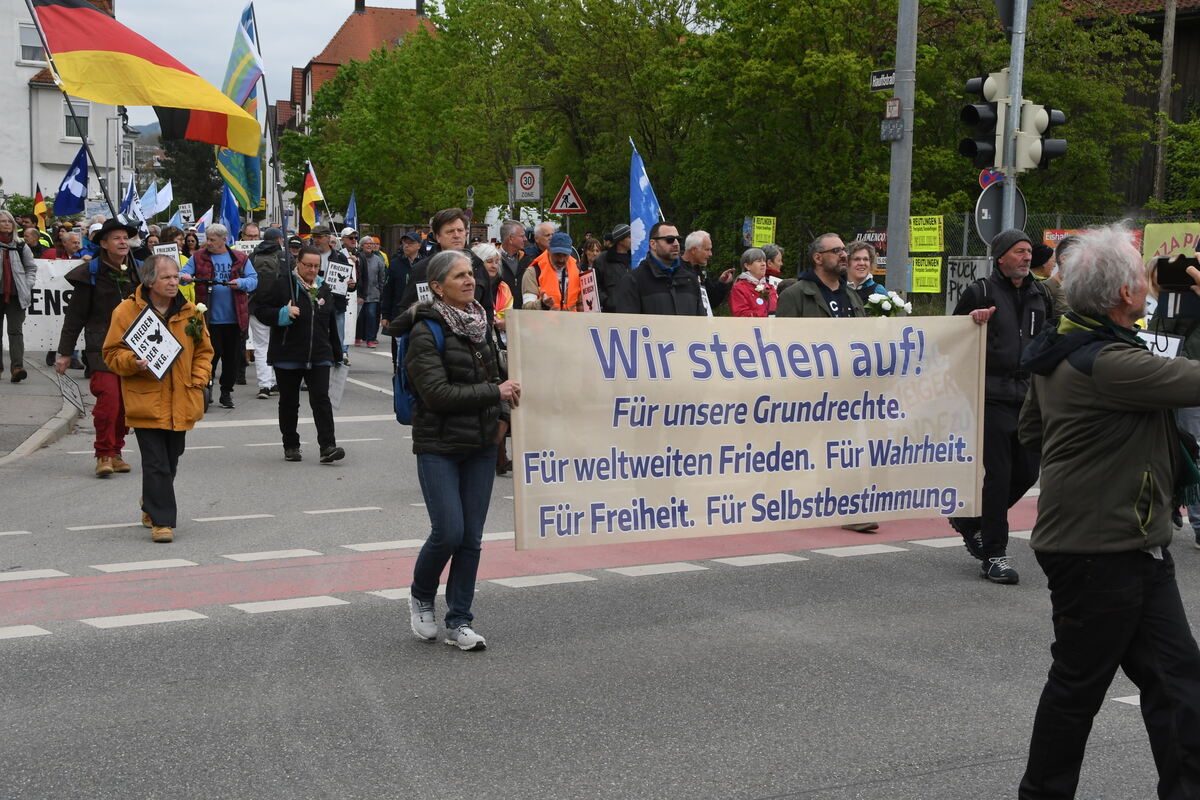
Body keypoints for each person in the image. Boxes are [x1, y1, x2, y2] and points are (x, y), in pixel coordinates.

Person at [1016, 224, 1200, 799]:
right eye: (1143, 276)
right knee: (1077, 689)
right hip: (1098, 550)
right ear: (1124, 295)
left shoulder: (1063, 348)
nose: (1150, 283)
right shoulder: (1109, 364)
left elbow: (1030, 432)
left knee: (1179, 686)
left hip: (1131, 543)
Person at [396, 250, 520, 651]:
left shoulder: (481, 323)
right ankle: (420, 595)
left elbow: (502, 375)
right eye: (459, 276)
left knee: (472, 538)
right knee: (449, 531)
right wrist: (493, 393)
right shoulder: (424, 330)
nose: (470, 280)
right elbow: (435, 393)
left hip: (481, 444)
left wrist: (501, 417)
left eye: (471, 273)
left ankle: (460, 620)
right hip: (439, 444)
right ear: (437, 287)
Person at [949, 228, 1050, 584]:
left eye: (1029, 253)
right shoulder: (981, 291)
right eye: (1020, 251)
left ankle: (971, 521)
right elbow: (953, 337)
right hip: (990, 396)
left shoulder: (1041, 293)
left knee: (1027, 472)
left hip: (1029, 398)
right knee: (999, 475)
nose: (1026, 257)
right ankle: (994, 555)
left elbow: (1049, 336)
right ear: (1001, 256)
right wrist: (972, 322)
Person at [101, 255, 212, 544]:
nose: (174, 282)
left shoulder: (191, 312)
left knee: (172, 458)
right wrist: (132, 362)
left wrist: (199, 379)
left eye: (176, 276)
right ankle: (162, 522)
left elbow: (204, 351)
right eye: (167, 277)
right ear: (150, 281)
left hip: (183, 399)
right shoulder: (126, 311)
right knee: (156, 463)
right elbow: (111, 353)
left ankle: (151, 501)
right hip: (145, 401)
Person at [56, 217, 141, 476]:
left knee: (126, 405)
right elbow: (75, 317)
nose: (123, 241)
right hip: (100, 347)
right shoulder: (90, 273)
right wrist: (65, 353)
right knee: (109, 402)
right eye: (116, 238)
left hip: (134, 348)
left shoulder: (140, 271)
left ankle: (116, 451)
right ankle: (103, 454)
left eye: (125, 238)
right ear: (103, 243)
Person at [253, 245, 345, 464]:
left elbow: (330, 322)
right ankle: (291, 444)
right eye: (308, 265)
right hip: (288, 354)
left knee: (322, 400)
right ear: (298, 263)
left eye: (316, 266)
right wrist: (283, 313)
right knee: (289, 402)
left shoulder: (323, 288)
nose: (312, 270)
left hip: (319, 354)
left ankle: (327, 446)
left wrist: (337, 353)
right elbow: (260, 310)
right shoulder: (282, 284)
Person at [180, 223, 258, 409]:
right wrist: (185, 277)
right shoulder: (198, 257)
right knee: (208, 357)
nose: (208, 243)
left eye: (212, 240)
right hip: (207, 319)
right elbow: (183, 274)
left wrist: (239, 283)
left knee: (231, 359)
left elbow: (254, 280)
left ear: (224, 240)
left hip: (234, 319)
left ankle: (226, 392)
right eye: (207, 239)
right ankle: (207, 388)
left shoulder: (239, 258)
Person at [396, 208, 493, 322]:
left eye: (460, 230)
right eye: (450, 231)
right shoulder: (423, 269)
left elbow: (487, 308)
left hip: (473, 336)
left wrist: (484, 332)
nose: (456, 235)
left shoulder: (478, 265)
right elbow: (407, 308)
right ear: (438, 237)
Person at [614, 222, 705, 315]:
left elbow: (701, 322)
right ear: (653, 244)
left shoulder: (691, 280)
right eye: (670, 239)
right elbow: (627, 325)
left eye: (678, 239)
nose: (676, 243)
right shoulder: (633, 280)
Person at [777, 233, 866, 318]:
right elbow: (785, 332)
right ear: (818, 258)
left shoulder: (853, 295)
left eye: (844, 250)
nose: (844, 255)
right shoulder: (794, 295)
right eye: (836, 251)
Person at [248, 228, 288, 398]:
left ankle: (265, 385)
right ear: (279, 239)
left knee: (261, 346)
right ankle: (275, 382)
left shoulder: (252, 256)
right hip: (278, 308)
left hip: (256, 307)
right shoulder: (284, 257)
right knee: (278, 345)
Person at [308, 222, 355, 365]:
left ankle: (337, 366)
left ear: (328, 238)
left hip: (336, 304)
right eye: (314, 237)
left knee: (338, 339)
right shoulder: (309, 255)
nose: (315, 240)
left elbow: (348, 282)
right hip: (313, 303)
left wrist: (351, 285)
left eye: (318, 237)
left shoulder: (339, 257)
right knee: (313, 338)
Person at [0, 211, 38, 383]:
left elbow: (31, 268)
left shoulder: (21, 246)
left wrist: (27, 284)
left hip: (16, 296)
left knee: (15, 332)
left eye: (9, 221)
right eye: (2, 221)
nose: (7, 224)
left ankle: (17, 368)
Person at [521, 232, 583, 311]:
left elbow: (581, 303)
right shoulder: (533, 272)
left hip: (572, 322)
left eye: (565, 255)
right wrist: (542, 304)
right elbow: (527, 307)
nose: (561, 259)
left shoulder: (577, 271)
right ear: (549, 250)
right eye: (557, 254)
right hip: (544, 322)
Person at [683, 230, 733, 312]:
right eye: (707, 250)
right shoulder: (676, 271)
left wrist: (721, 284)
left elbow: (711, 301)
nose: (710, 254)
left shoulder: (699, 271)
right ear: (694, 250)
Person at [354, 235, 387, 348]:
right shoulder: (357, 258)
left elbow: (381, 277)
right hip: (359, 293)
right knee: (359, 316)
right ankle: (357, 337)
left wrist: (382, 292)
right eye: (366, 243)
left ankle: (371, 339)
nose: (369, 245)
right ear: (361, 246)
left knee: (372, 315)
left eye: (371, 244)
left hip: (374, 293)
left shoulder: (378, 260)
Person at [593, 224, 633, 312]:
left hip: (633, 313)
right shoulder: (602, 260)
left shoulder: (635, 259)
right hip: (611, 314)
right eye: (629, 237)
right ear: (620, 240)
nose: (632, 239)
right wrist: (608, 302)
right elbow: (595, 286)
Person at [729, 247, 777, 317]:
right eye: (758, 261)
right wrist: (766, 316)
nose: (763, 264)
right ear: (747, 266)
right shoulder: (739, 289)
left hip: (772, 326)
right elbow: (741, 314)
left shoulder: (770, 287)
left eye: (764, 261)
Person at [846, 240, 888, 304]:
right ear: (847, 262)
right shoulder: (837, 288)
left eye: (865, 259)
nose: (862, 263)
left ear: (870, 263)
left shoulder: (879, 291)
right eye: (857, 259)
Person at [497, 220, 525, 304]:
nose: (525, 239)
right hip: (501, 313)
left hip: (524, 312)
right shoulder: (493, 260)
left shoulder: (527, 259)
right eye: (522, 236)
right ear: (511, 238)